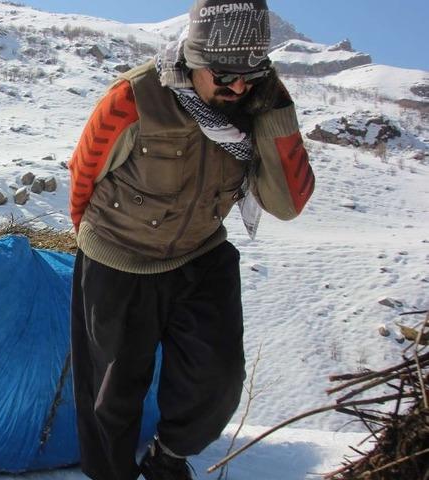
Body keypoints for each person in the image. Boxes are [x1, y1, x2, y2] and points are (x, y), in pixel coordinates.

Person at [67, 1, 314, 479]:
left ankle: (169, 457)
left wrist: (276, 111)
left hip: (201, 253)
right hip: (120, 255)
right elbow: (84, 176)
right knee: (112, 391)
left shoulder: (257, 101)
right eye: (225, 74)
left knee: (217, 379)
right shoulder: (134, 98)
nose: (239, 86)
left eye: (252, 73)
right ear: (195, 60)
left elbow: (287, 202)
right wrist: (98, 254)